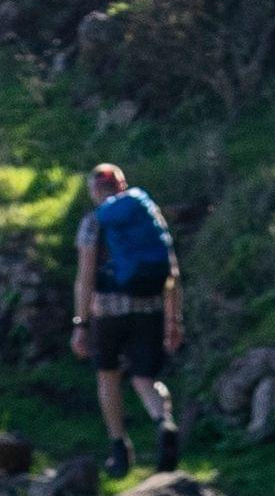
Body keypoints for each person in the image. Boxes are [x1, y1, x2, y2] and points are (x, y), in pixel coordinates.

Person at [73, 163, 189, 461]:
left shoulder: (94, 222)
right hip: (149, 307)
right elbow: (172, 271)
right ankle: (163, 422)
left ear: (95, 191)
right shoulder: (148, 214)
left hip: (107, 311)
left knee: (107, 375)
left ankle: (119, 448)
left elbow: (85, 278)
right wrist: (174, 319)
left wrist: (81, 324)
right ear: (122, 186)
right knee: (144, 377)